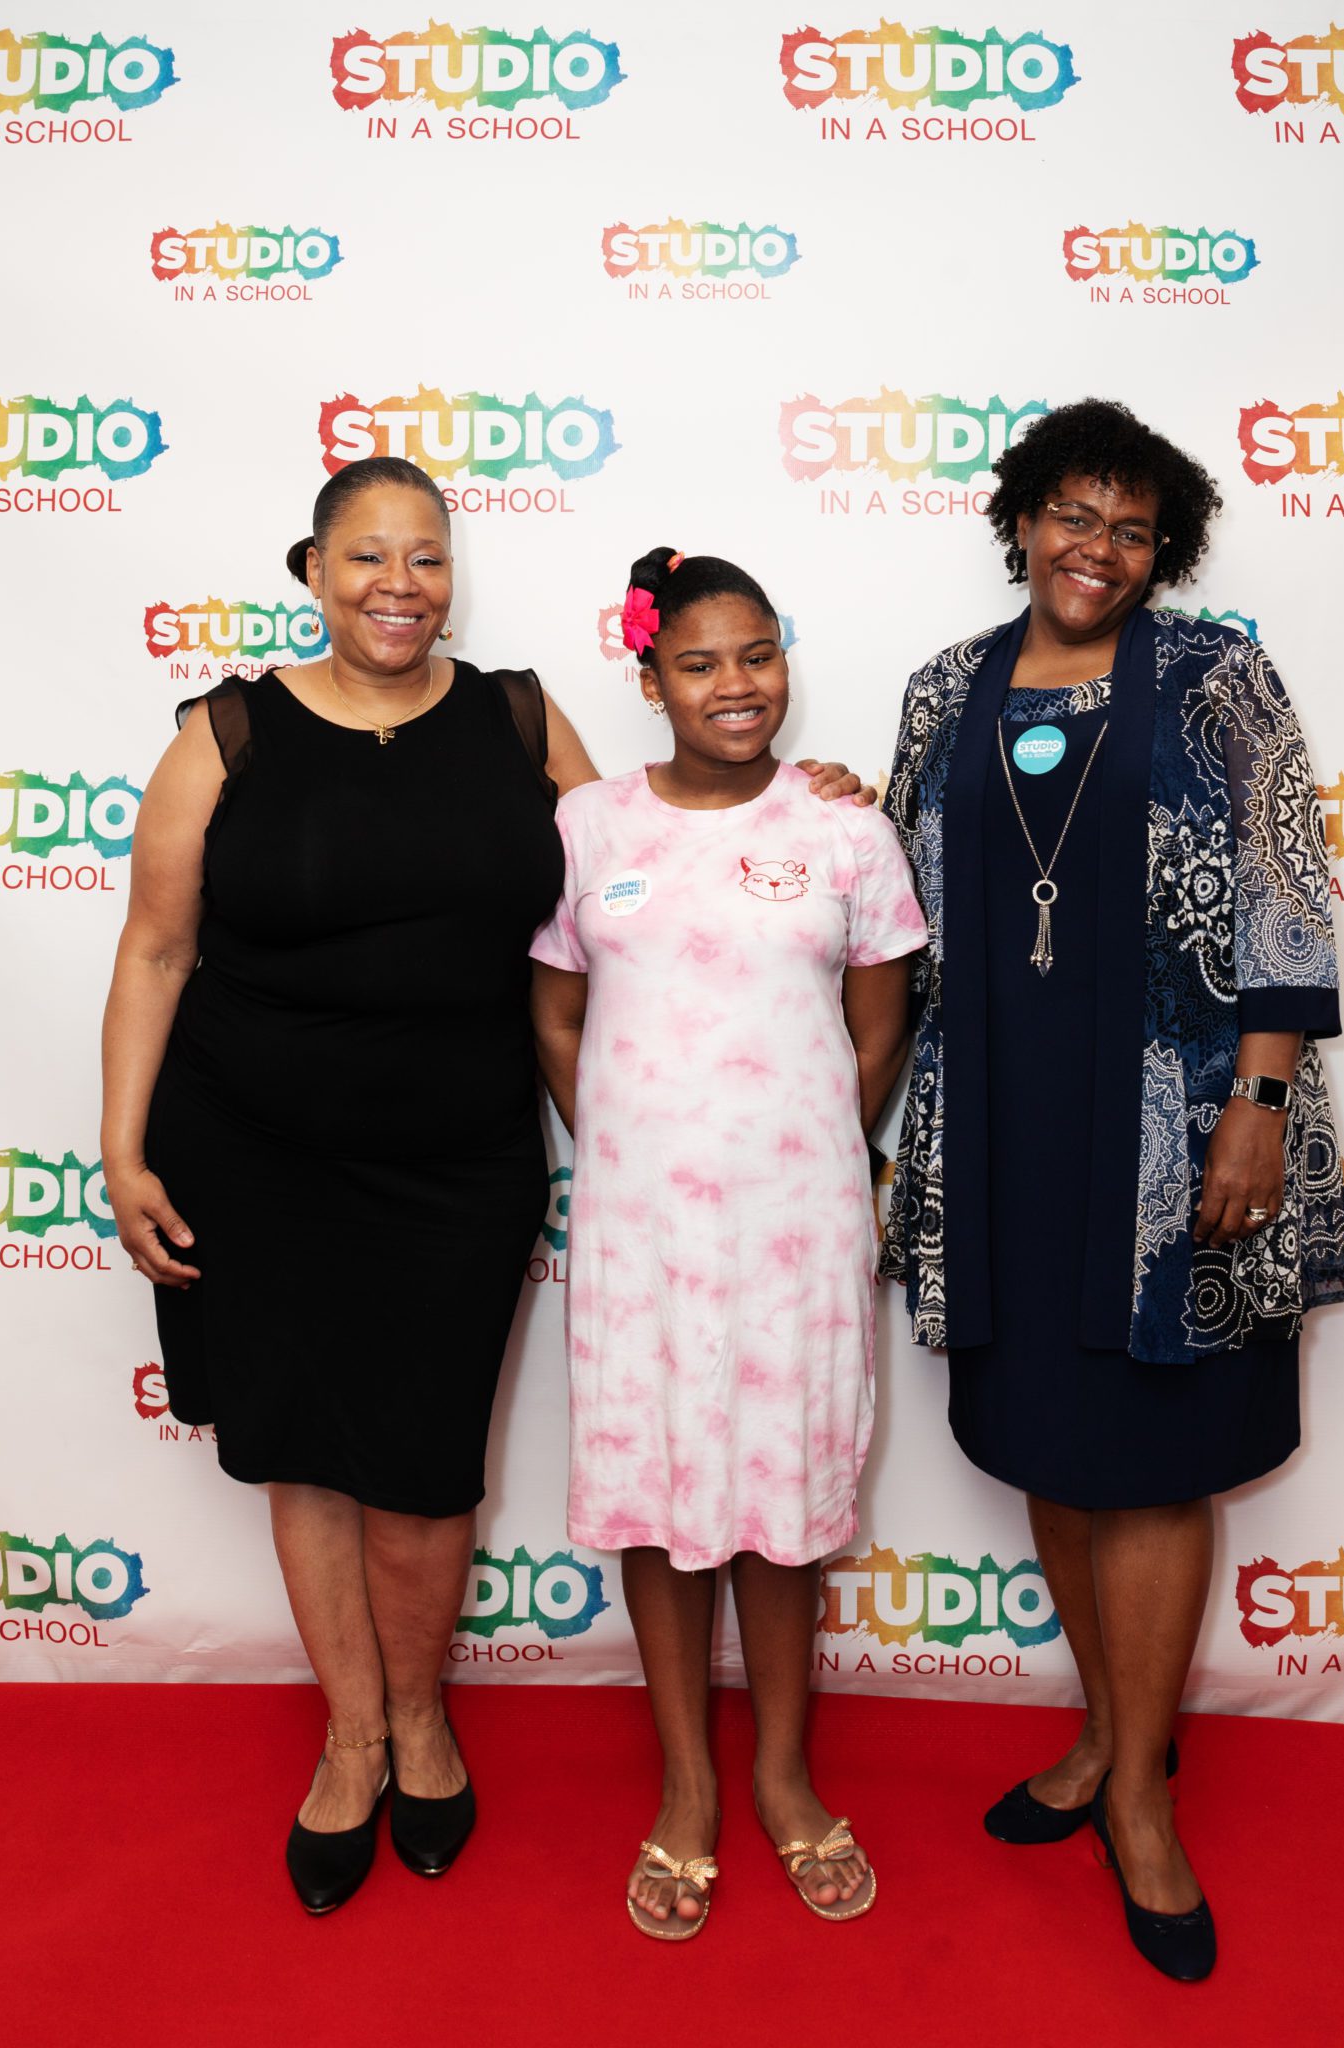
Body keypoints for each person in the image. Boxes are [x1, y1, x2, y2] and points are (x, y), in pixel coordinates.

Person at [99, 462, 874, 1915]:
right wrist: (121, 1145)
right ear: (313, 571)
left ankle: (425, 1718)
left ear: (452, 578)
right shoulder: (227, 733)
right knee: (303, 1452)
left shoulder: (516, 719)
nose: (399, 584)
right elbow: (153, 949)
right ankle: (355, 1738)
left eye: (426, 557)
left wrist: (804, 803)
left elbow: (663, 853)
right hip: (253, 1153)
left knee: (423, 1459)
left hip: (459, 1163)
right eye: (366, 556)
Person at [880, 399, 1344, 1981]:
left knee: (1152, 1463)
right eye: (1073, 515)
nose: (1097, 548)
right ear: (1022, 519)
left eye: (1132, 530)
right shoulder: (944, 688)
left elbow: (1288, 890)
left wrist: (1258, 1107)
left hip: (1176, 1131)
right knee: (1054, 1444)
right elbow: (891, 893)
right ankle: (1102, 1737)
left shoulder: (1218, 678)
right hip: (999, 1134)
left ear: (1166, 553)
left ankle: (1142, 1801)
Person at [529, 547, 927, 1939]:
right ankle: (687, 1786)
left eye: (757, 655)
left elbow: (879, 1027)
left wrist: (795, 1151)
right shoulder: (587, 827)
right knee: (659, 1494)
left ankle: (783, 1776)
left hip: (798, 1228)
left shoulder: (846, 831)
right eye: (698, 663)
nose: (735, 685)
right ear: (652, 682)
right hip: (638, 1230)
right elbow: (558, 1016)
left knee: (781, 1497)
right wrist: (635, 1145)